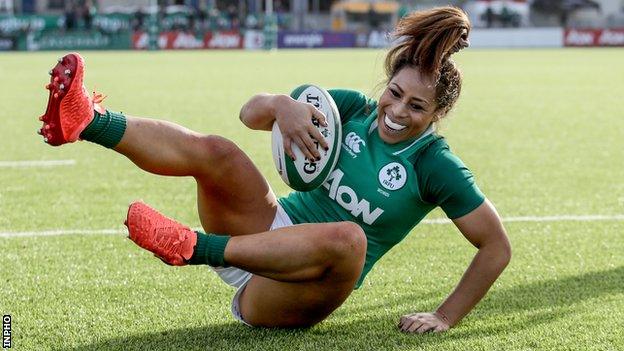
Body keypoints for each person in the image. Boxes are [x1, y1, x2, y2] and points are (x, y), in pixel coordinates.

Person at [37, 6, 510, 333]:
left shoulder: (435, 164)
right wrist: (282, 106)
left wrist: (445, 316)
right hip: (262, 233)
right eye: (395, 92)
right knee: (220, 151)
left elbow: (496, 246)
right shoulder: (352, 110)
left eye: (417, 106)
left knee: (350, 238)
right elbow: (249, 115)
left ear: (436, 115)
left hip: (298, 286)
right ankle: (86, 120)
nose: (397, 110)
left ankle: (195, 249)